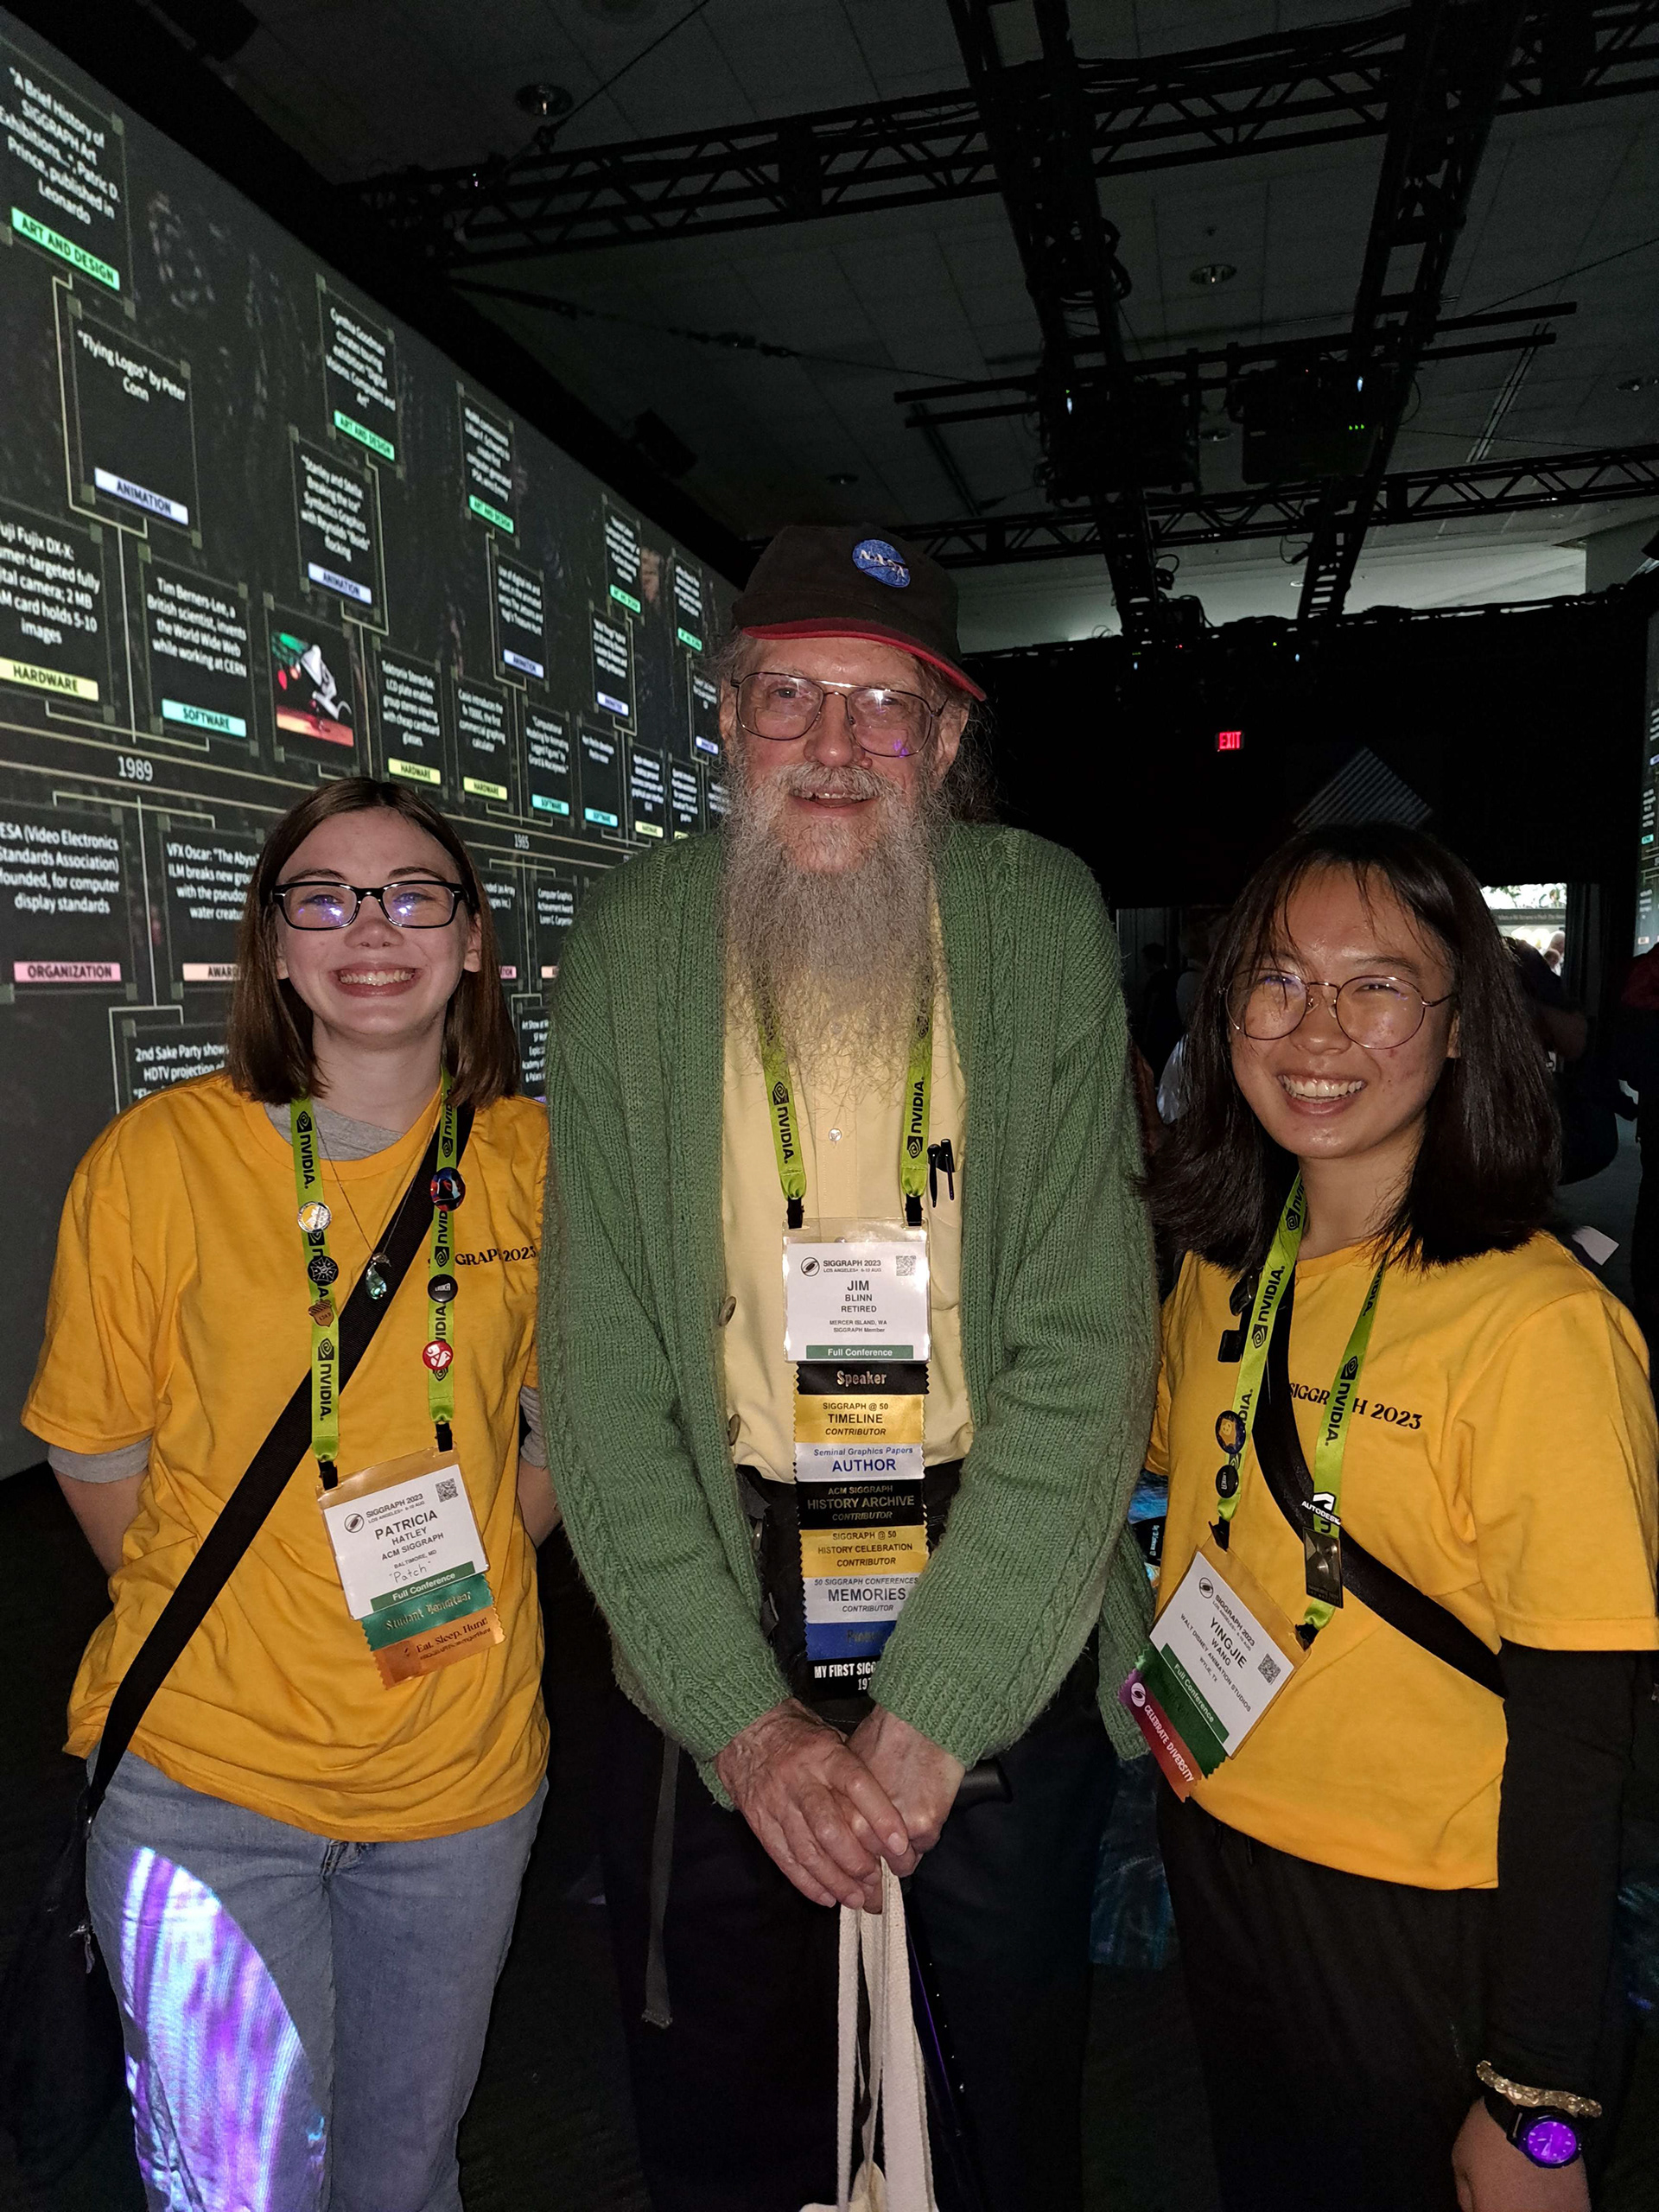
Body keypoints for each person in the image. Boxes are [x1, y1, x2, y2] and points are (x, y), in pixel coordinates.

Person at [539, 523, 1157, 2212]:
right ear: (727, 720)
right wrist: (745, 1729)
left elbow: (1090, 1350)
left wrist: (938, 1710)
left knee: (989, 2116)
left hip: (990, 1600)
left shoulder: (1035, 922)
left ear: (947, 743)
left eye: (881, 710)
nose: (830, 749)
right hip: (711, 1610)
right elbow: (596, 1388)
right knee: (722, 2116)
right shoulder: (630, 946)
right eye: (788, 698)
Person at [23, 778, 558, 2212]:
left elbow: (557, 1430)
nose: (369, 927)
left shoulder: (537, 1164)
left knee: (404, 2177)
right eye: (322, 895)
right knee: (236, 2190)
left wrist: (476, 1567)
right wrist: (266, 1618)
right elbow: (96, 1458)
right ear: (272, 945)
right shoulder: (156, 1162)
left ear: (472, 942)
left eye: (412, 894)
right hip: (206, 1781)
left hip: (458, 1786)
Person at [1141, 822, 1657, 2212]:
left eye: (1376, 985)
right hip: (1223, 1845)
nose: (1317, 1030)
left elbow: (1580, 1735)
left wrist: (1540, 2098)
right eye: (1277, 981)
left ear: (1458, 1023)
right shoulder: (1218, 1272)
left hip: (1423, 1917)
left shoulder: (1539, 1323)